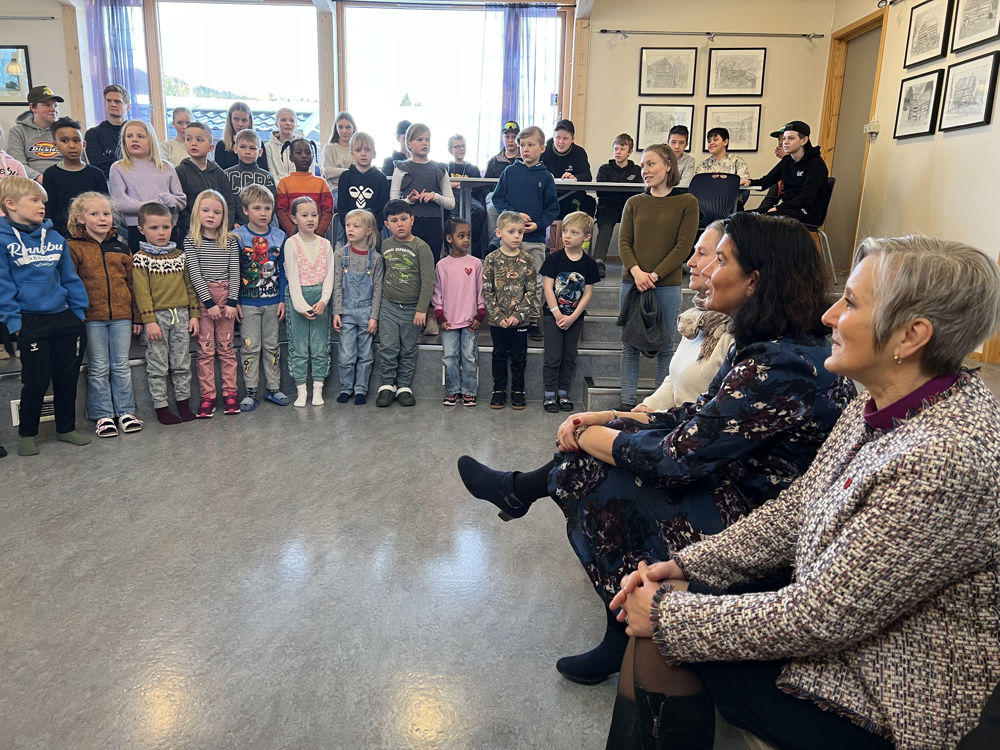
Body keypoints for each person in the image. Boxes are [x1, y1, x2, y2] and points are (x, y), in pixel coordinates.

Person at [609, 235, 1000, 750]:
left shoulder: (944, 457)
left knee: (661, 636)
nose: (829, 315)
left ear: (911, 336)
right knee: (661, 608)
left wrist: (668, 614)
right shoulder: (888, 401)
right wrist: (687, 565)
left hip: (889, 690)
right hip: (849, 636)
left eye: (852, 302)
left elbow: (823, 617)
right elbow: (798, 510)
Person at [458, 212, 853, 688]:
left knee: (586, 472)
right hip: (734, 483)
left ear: (756, 279)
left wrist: (593, 436)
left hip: (754, 520)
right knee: (587, 460)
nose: (698, 267)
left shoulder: (781, 361)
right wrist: (606, 420)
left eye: (716, 258)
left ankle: (617, 623)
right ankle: (614, 615)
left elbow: (676, 459)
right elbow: (691, 417)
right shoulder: (768, 344)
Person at [0, 175, 90, 456]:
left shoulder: (54, 237)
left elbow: (69, 277)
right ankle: (27, 433)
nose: (42, 206)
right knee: (37, 379)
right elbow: (3, 284)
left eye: (43, 201)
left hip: (64, 318)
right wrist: (14, 322)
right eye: (35, 200)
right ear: (10, 204)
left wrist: (78, 312)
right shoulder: (3, 240)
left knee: (67, 376)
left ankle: (66, 428)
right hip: (30, 320)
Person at [617, 143, 699, 411]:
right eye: (642, 165)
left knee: (666, 346)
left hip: (666, 285)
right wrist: (637, 272)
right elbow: (625, 243)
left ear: (668, 165)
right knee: (629, 345)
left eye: (650, 164)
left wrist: (654, 274)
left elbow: (684, 246)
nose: (645, 170)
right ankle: (627, 403)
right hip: (632, 283)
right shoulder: (634, 203)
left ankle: (658, 406)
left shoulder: (687, 202)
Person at [633, 220, 733, 413]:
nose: (690, 262)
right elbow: (676, 382)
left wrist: (651, 421)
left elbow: (710, 416)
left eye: (702, 253)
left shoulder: (736, 334)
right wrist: (648, 407)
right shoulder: (699, 319)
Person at [65, 192, 141, 437]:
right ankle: (103, 415)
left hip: (121, 316)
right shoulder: (73, 247)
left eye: (106, 213)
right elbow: (70, 283)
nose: (102, 218)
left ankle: (126, 411)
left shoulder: (121, 247)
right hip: (92, 318)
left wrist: (136, 316)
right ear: (80, 219)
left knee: (120, 365)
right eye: (94, 214)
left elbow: (132, 284)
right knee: (98, 366)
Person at [132, 201, 200, 425]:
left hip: (180, 315)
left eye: (165, 227)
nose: (161, 232)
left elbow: (190, 287)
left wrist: (194, 315)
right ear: (142, 229)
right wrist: (149, 320)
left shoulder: (180, 256)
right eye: (154, 228)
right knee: (158, 364)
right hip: (157, 319)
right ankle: (162, 407)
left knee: (182, 362)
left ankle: (183, 403)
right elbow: (141, 293)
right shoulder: (141, 259)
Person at [491, 125, 558, 343]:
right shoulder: (510, 171)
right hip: (510, 241)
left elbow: (552, 209)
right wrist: (513, 214)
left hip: (535, 240)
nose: (525, 149)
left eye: (530, 145)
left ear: (542, 148)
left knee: (535, 282)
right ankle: (508, 317)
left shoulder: (546, 177)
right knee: (510, 280)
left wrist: (538, 225)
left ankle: (532, 320)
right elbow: (498, 198)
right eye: (522, 145)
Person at [185, 190, 241, 418]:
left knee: (227, 350)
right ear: (197, 212)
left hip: (226, 298)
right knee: (206, 351)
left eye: (217, 212)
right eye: (206, 210)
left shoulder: (230, 241)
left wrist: (231, 302)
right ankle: (208, 397)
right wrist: (209, 303)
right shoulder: (191, 241)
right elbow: (195, 274)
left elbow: (235, 272)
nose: (211, 216)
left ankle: (230, 394)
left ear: (223, 216)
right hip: (204, 299)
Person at [233, 184, 288, 412]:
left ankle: (273, 388)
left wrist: (283, 298)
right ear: (246, 210)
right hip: (248, 303)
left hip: (273, 301)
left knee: (272, 346)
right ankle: (251, 391)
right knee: (250, 347)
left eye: (267, 208)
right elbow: (233, 270)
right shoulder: (237, 237)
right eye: (257, 208)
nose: (263, 213)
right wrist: (234, 300)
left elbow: (283, 270)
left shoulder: (279, 236)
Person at [375, 199, 434, 408]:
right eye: (394, 220)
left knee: (408, 348)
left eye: (403, 219)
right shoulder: (385, 245)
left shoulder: (421, 247)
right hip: (389, 306)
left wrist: (422, 309)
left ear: (412, 220)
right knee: (389, 347)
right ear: (386, 224)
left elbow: (428, 280)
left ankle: (403, 386)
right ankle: (387, 385)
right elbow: (380, 275)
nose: (399, 224)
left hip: (412, 309)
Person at [540, 211, 600, 413]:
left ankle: (563, 392)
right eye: (565, 231)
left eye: (574, 232)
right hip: (552, 317)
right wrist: (557, 314)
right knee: (553, 357)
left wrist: (573, 316)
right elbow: (548, 288)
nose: (567, 236)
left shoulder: (589, 264)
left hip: (574, 318)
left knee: (569, 356)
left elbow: (588, 292)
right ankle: (549, 394)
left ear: (586, 237)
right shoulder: (554, 259)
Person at [283, 196, 334, 408]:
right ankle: (301, 389)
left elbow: (330, 275)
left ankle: (318, 388)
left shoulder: (325, 244)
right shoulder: (291, 244)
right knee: (300, 346)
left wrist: (323, 300)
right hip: (299, 300)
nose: (310, 219)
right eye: (304, 215)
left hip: (320, 299)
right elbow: (292, 277)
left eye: (314, 214)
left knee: (321, 346)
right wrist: (301, 306)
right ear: (294, 218)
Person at [483, 211, 537, 410]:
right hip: (498, 321)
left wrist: (517, 315)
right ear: (499, 233)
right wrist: (498, 316)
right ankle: (498, 390)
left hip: (520, 321)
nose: (516, 236)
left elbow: (531, 290)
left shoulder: (527, 259)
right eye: (511, 231)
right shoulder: (491, 259)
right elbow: (487, 290)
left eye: (520, 232)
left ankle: (517, 390)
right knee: (499, 355)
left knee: (519, 356)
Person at [109, 119, 186, 252]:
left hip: (167, 229)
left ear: (151, 139)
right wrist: (154, 207)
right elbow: (119, 202)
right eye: (129, 136)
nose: (134, 140)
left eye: (140, 136)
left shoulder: (166, 167)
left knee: (173, 268)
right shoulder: (118, 168)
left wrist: (170, 200)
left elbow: (181, 200)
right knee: (142, 270)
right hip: (138, 229)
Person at [332, 208, 383, 406]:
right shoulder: (340, 255)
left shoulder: (376, 259)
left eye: (356, 226)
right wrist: (337, 312)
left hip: (367, 313)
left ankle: (361, 389)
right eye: (347, 225)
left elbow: (378, 289)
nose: (350, 229)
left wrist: (374, 316)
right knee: (346, 354)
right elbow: (337, 285)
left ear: (369, 230)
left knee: (366, 354)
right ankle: (346, 388)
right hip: (346, 313)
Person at [432, 217, 484, 408]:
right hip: (448, 322)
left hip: (471, 321)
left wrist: (479, 314)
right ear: (449, 238)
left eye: (468, 236)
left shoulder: (476, 264)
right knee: (450, 356)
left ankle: (469, 391)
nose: (466, 240)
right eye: (461, 236)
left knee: (469, 356)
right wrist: (440, 317)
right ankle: (452, 390)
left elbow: (481, 291)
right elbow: (437, 293)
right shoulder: (442, 265)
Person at [389, 122, 454, 265]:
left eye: (427, 139)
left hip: (433, 224)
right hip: (409, 224)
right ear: (409, 143)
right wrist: (407, 201)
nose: (424, 143)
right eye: (419, 139)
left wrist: (434, 196)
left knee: (431, 265)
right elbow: (392, 203)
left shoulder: (440, 169)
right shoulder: (401, 168)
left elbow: (451, 203)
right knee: (409, 266)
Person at [742, 120, 830, 224]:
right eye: (784, 138)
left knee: (764, 219)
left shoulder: (815, 164)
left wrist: (779, 208)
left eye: (791, 138)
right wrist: (750, 182)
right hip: (787, 209)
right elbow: (765, 182)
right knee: (741, 217)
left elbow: (806, 198)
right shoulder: (787, 161)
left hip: (809, 212)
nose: (785, 142)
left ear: (804, 140)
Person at [43, 117, 109, 238]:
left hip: (94, 233)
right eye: (64, 140)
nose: (72, 145)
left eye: (76, 140)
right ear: (55, 145)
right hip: (62, 235)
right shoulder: (50, 174)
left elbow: (105, 207)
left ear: (83, 144)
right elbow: (49, 211)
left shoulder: (96, 174)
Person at [175, 122, 236, 241]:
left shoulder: (219, 174)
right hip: (190, 234)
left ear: (211, 147)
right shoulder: (180, 172)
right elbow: (180, 206)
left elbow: (229, 203)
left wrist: (225, 229)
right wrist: (194, 227)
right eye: (188, 139)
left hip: (218, 234)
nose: (193, 143)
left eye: (199, 140)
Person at [594, 133, 642, 279]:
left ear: (630, 152)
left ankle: (637, 263)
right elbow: (601, 192)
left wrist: (618, 194)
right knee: (606, 226)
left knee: (638, 226)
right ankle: (598, 262)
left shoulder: (636, 170)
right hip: (608, 207)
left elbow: (638, 192)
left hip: (629, 207)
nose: (618, 152)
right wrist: (620, 193)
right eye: (616, 149)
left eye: (622, 149)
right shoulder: (605, 169)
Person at [541, 119, 593, 254]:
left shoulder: (579, 152)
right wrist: (545, 175)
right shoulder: (544, 151)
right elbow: (534, 171)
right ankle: (552, 253)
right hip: (550, 196)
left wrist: (576, 178)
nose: (561, 142)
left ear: (572, 139)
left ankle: (581, 252)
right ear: (553, 137)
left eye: (565, 138)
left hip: (572, 195)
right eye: (558, 137)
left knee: (589, 203)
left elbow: (587, 175)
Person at [276, 139, 333, 238]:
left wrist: (318, 232)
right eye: (298, 152)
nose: (303, 156)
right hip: (293, 238)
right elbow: (281, 211)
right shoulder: (284, 183)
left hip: (317, 237)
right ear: (291, 157)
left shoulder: (321, 183)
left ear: (313, 156)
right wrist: (293, 232)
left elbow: (327, 211)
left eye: (308, 153)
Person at [7, 85, 64, 183]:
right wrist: (39, 178)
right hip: (32, 183)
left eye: (55, 105)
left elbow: (78, 160)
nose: (53, 109)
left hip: (64, 178)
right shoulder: (18, 131)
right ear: (32, 107)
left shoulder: (66, 130)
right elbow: (17, 164)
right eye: (47, 105)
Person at [336, 131, 388, 235]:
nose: (363, 154)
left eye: (368, 150)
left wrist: (373, 229)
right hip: (350, 232)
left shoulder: (381, 178)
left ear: (374, 154)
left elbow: (383, 208)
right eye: (358, 150)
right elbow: (342, 208)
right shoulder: (345, 177)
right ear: (352, 154)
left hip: (373, 232)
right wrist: (351, 228)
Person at [223, 129, 276, 227]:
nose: (247, 152)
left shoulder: (267, 177)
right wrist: (232, 223)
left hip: (261, 227)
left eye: (252, 148)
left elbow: (272, 205)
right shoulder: (226, 175)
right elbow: (225, 202)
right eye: (242, 147)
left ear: (260, 152)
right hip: (235, 227)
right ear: (235, 148)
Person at [446, 134, 487, 259]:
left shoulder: (472, 168)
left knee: (480, 210)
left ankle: (469, 241)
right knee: (452, 214)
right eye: (457, 146)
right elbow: (443, 185)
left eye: (463, 146)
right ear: (450, 150)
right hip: (452, 198)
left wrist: (456, 184)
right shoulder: (445, 167)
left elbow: (477, 188)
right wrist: (456, 185)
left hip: (469, 198)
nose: (461, 149)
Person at [484, 120, 521, 239]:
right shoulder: (494, 161)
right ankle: (494, 243)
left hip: (518, 196)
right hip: (496, 195)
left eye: (514, 137)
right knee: (491, 208)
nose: (510, 140)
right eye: (507, 137)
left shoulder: (525, 159)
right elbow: (485, 186)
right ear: (502, 138)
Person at [84, 84, 129, 179]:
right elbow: (98, 165)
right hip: (108, 182)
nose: (112, 104)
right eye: (109, 101)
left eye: (117, 101)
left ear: (127, 107)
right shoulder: (93, 134)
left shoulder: (136, 132)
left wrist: (111, 157)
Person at [214, 102, 267, 170]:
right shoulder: (222, 145)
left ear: (249, 122)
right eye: (236, 119)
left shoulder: (258, 144)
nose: (240, 124)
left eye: (244, 120)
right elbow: (218, 174)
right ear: (230, 120)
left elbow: (263, 171)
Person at [264, 108, 301, 184]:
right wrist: (283, 190)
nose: (288, 123)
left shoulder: (304, 145)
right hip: (279, 190)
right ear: (276, 123)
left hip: (301, 188)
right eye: (283, 120)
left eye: (292, 120)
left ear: (296, 124)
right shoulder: (268, 147)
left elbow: (309, 172)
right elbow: (272, 174)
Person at [322, 111, 356, 194]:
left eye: (348, 127)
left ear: (353, 128)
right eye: (340, 127)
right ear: (336, 128)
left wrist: (337, 172)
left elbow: (357, 174)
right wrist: (349, 171)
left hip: (355, 188)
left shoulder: (357, 149)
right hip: (335, 189)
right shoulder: (329, 148)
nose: (344, 131)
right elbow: (328, 172)